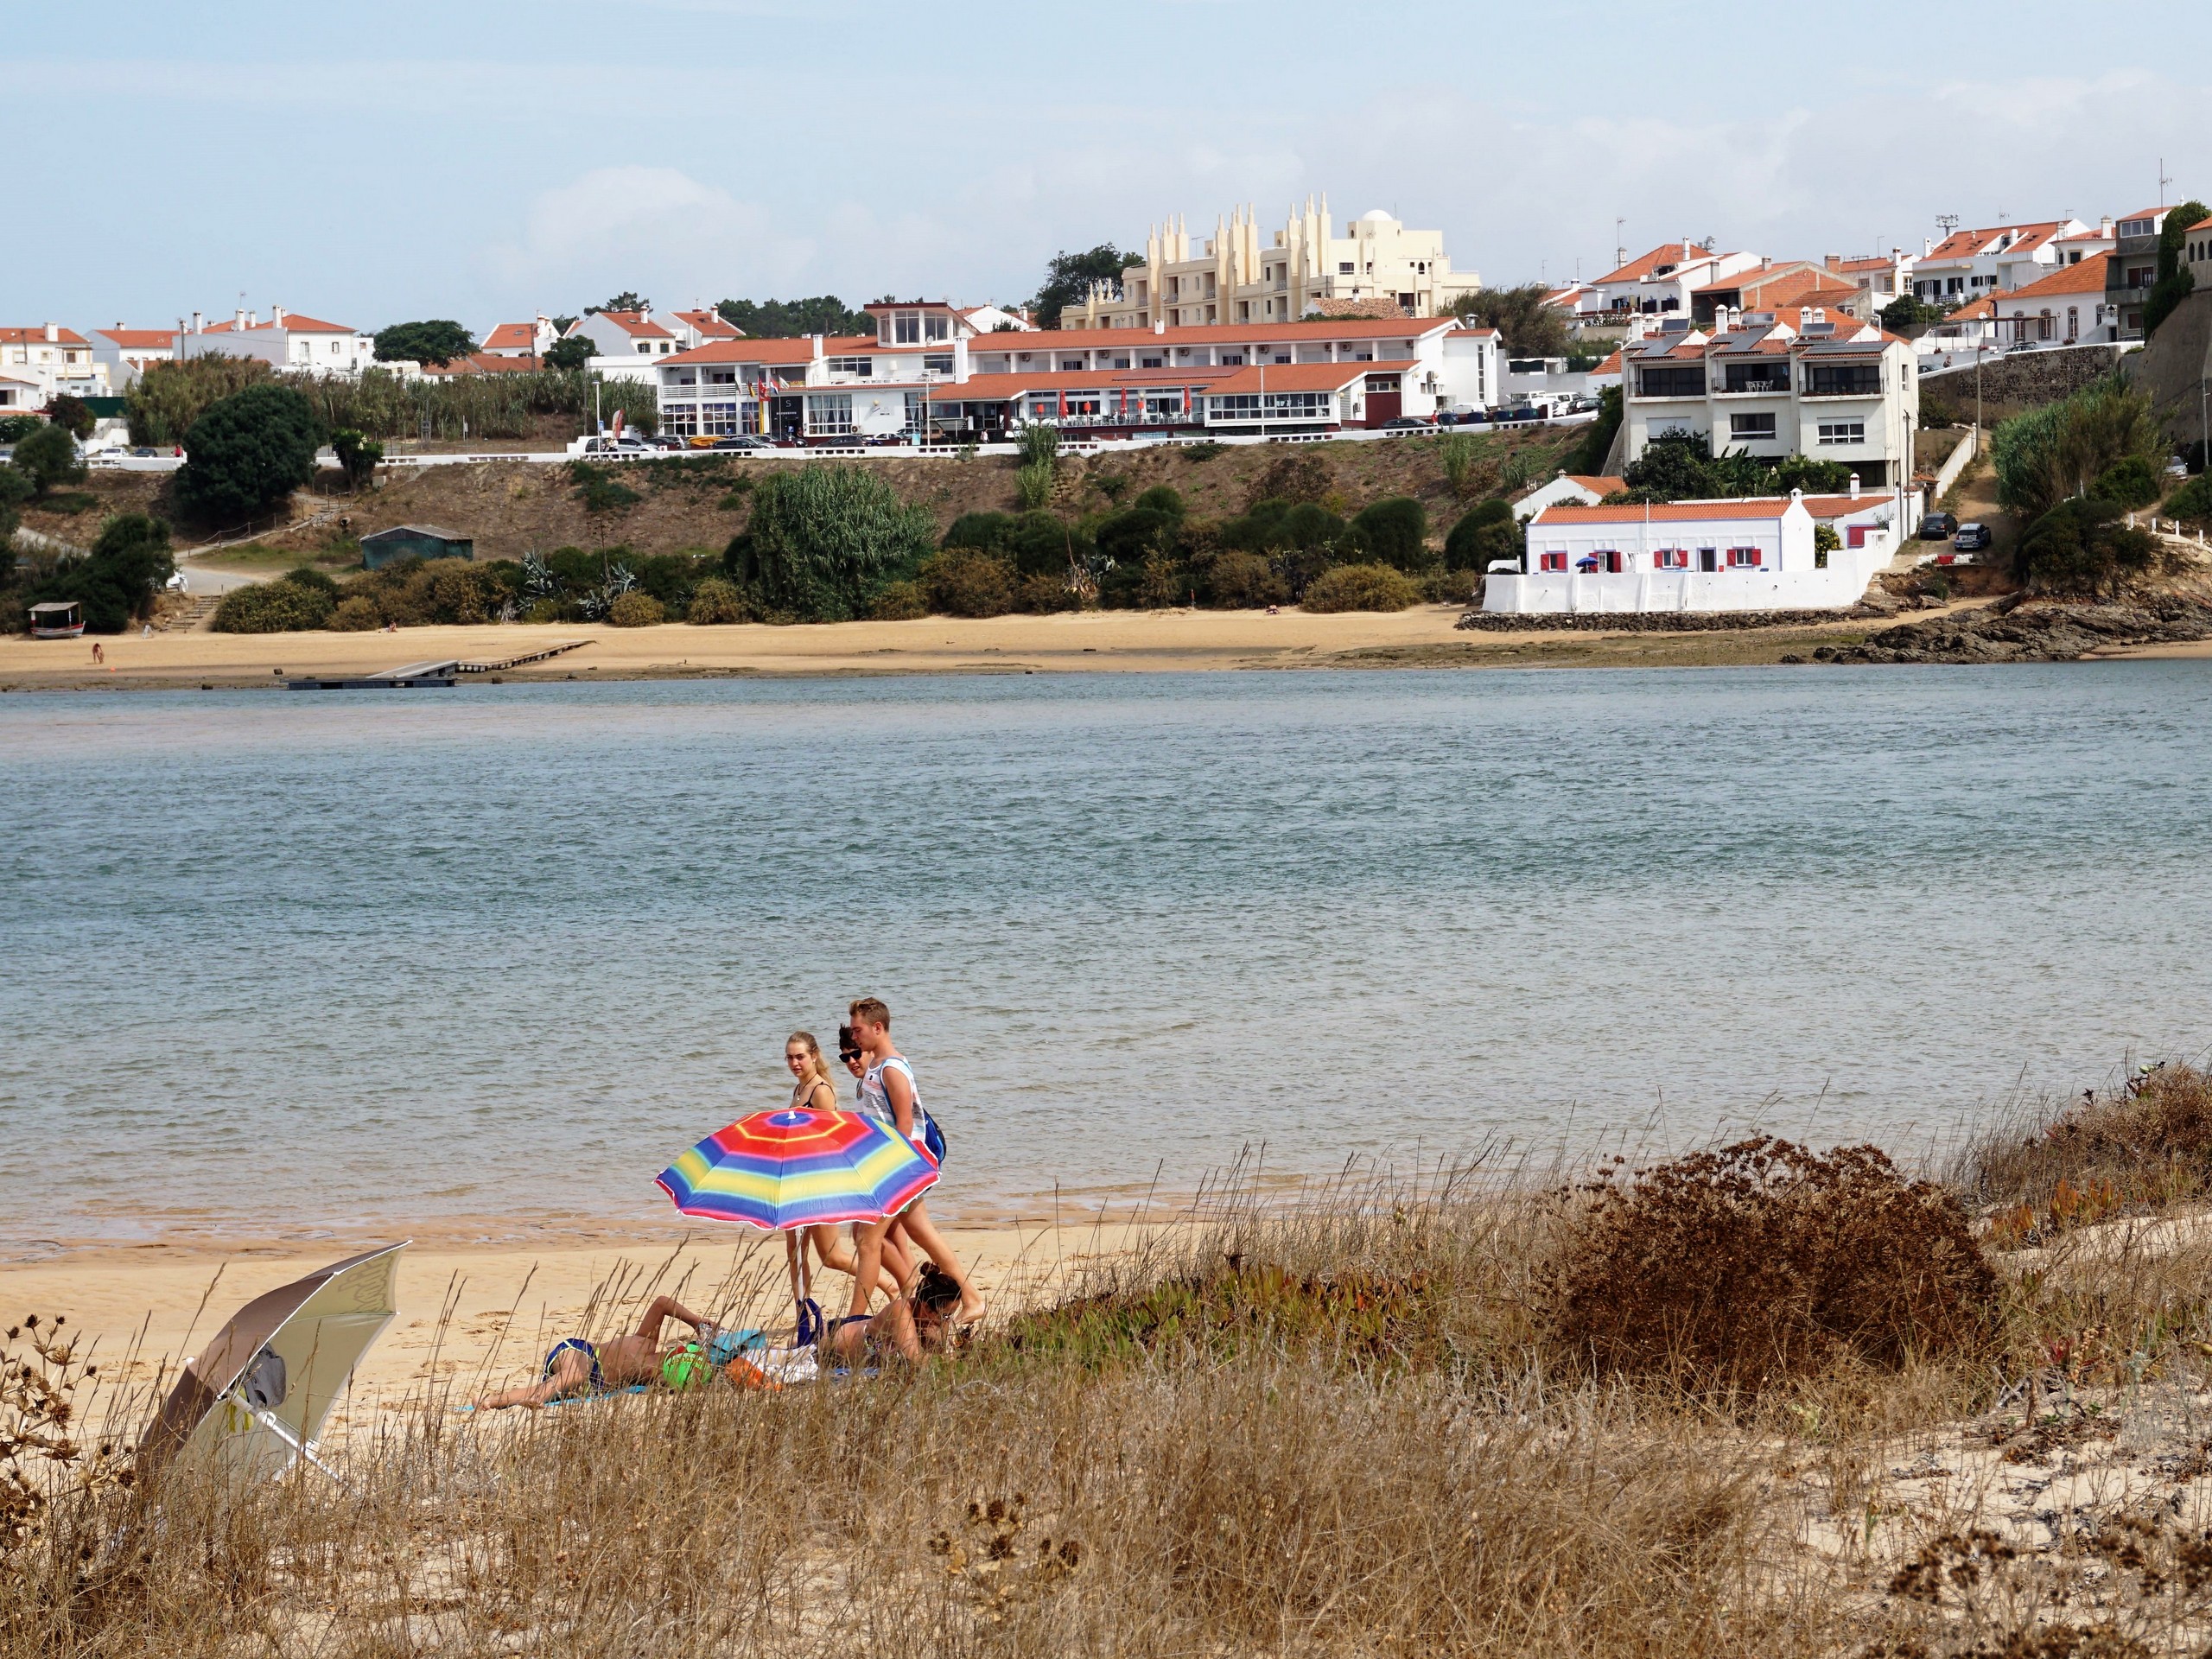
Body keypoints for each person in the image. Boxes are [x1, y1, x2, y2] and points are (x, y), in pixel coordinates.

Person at [836, 998, 985, 1359]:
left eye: (857, 1029)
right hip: (894, 1167)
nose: (853, 1037)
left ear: (878, 1028)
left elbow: (905, 1124)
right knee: (922, 1235)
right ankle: (972, 1297)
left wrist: (891, 1171)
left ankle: (854, 1320)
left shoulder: (892, 1069)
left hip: (900, 1167)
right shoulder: (877, 1069)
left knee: (869, 1241)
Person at [781, 1030, 909, 1308]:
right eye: (790, 1058)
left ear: (814, 1056)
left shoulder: (820, 1091)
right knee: (795, 1251)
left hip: (817, 1181)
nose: (795, 1063)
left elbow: (830, 1142)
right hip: (797, 1178)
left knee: (831, 1257)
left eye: (800, 1057)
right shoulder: (799, 1089)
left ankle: (888, 1285)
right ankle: (803, 1315)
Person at [473, 1294, 721, 1410]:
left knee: (546, 1389)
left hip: (593, 1384)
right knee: (574, 1374)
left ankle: (489, 1401)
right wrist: (696, 1322)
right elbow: (662, 1303)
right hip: (580, 1352)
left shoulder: (653, 1377)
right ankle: (538, 1398)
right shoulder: (646, 1341)